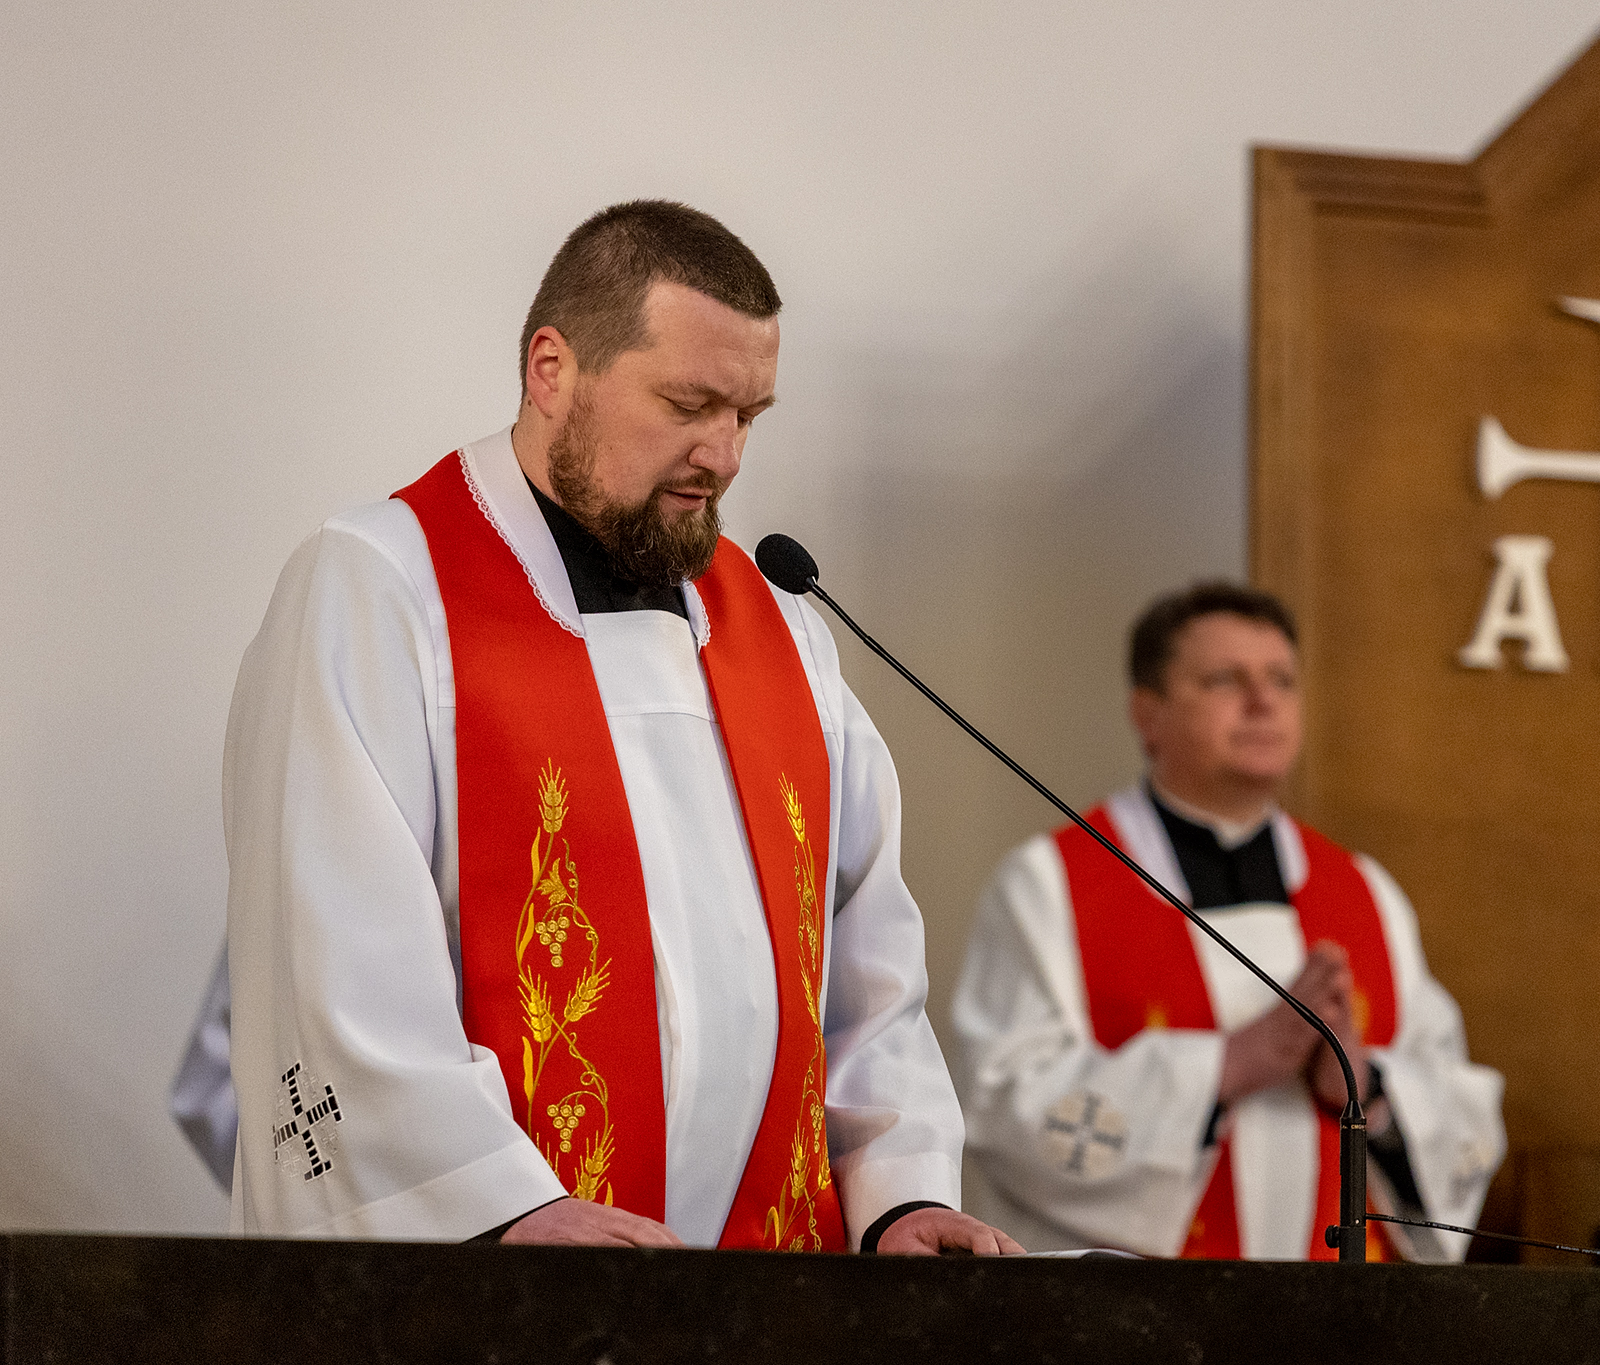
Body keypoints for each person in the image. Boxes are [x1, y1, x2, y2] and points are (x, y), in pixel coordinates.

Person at [224, 200, 1019, 1256]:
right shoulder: (382, 589)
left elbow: (869, 972)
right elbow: (335, 962)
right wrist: (497, 1204)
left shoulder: (783, 629)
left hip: (768, 1293)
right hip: (501, 1284)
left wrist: (900, 1197)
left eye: (749, 415)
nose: (724, 455)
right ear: (552, 371)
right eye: (689, 404)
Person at [951, 583, 1506, 1259]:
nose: (1263, 701)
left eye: (1282, 680)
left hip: (1339, 1307)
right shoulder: (1052, 884)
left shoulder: (1365, 891)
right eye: (1225, 679)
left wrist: (1367, 1088)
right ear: (1148, 713)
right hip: (1133, 1311)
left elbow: (1460, 1111)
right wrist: (1229, 1065)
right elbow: (1002, 1104)